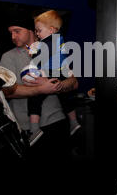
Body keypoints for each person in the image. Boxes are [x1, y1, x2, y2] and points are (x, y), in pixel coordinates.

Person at [0, 12, 78, 194]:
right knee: (33, 182)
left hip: (56, 123)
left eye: (17, 31)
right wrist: (39, 90)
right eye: (10, 32)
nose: (13, 36)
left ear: (33, 31)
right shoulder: (8, 57)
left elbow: (74, 82)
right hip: (28, 129)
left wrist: (58, 86)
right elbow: (7, 91)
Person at [26, 10, 80, 142]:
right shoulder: (59, 39)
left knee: (35, 98)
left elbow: (41, 57)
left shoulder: (49, 42)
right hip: (62, 72)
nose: (37, 34)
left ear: (51, 30)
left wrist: (32, 53)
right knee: (66, 98)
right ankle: (73, 122)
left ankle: (34, 128)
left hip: (53, 73)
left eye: (39, 31)